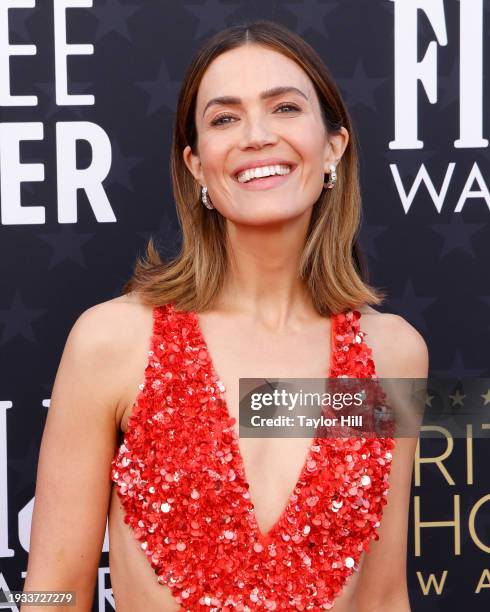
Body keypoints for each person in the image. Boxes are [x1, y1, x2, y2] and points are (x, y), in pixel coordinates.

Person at [23, 20, 428, 612]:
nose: (257, 135)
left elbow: (385, 596)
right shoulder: (113, 341)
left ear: (334, 145)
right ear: (195, 164)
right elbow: (52, 593)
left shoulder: (392, 355)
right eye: (224, 117)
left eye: (285, 107)